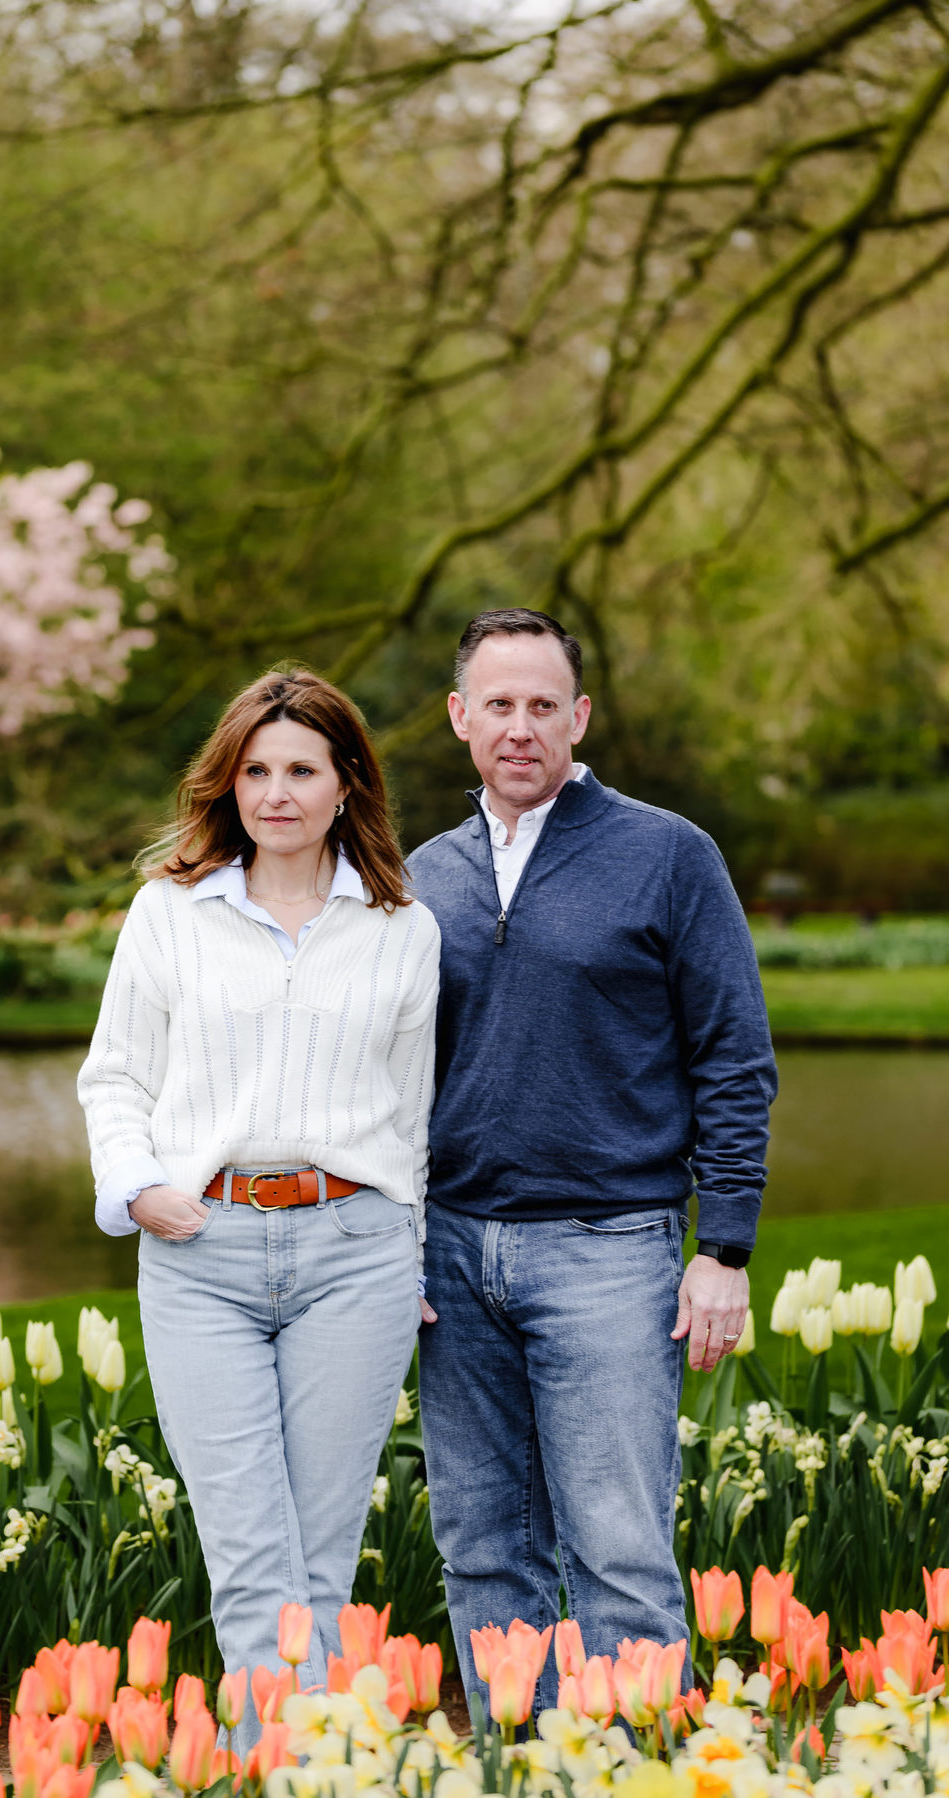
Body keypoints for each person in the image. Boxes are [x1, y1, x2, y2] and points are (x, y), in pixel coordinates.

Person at [408, 608, 777, 1712]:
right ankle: (517, 1771)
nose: (520, 727)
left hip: (610, 1249)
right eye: (498, 704)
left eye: (542, 704)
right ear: (460, 717)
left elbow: (735, 1056)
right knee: (481, 1547)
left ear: (580, 716)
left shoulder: (667, 854)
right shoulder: (421, 874)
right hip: (452, 1254)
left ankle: (647, 1774)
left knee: (619, 1553)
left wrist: (726, 1245)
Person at [77, 668, 439, 1748]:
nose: (275, 792)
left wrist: (411, 1258)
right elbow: (115, 1080)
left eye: (300, 769)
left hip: (355, 1255)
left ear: (346, 783)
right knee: (246, 1551)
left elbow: (412, 1113)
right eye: (255, 770)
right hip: (203, 1254)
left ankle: (296, 1767)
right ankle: (294, 1766)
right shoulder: (170, 913)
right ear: (228, 784)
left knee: (321, 1555)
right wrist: (137, 1186)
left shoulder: (401, 926)